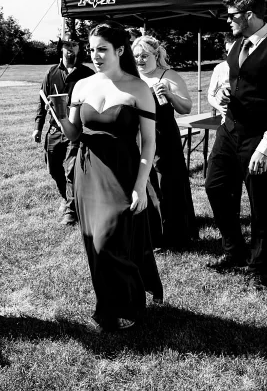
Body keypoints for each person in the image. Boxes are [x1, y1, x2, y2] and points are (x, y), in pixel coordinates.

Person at [56, 21, 162, 332]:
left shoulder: (138, 87)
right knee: (96, 245)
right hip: (88, 171)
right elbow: (74, 133)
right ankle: (109, 308)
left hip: (124, 171)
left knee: (110, 241)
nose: (95, 55)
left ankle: (129, 303)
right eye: (92, 50)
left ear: (119, 50)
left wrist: (141, 186)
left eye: (102, 49)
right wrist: (61, 114)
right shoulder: (82, 86)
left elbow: (150, 142)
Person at [205, 0, 267, 289]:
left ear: (249, 15)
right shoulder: (238, 45)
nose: (228, 21)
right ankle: (234, 250)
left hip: (259, 135)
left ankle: (259, 266)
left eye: (232, 16)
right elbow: (229, 84)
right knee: (215, 186)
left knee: (260, 203)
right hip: (229, 131)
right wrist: (223, 94)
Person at [132, 35, 197, 249]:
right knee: (145, 184)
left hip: (164, 138)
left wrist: (170, 95)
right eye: (136, 56)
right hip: (139, 138)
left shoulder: (168, 75)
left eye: (144, 55)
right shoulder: (131, 78)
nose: (139, 60)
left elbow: (186, 108)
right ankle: (152, 235)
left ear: (156, 55)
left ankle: (175, 234)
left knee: (167, 185)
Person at [33, 37, 93, 226]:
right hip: (54, 129)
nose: (70, 49)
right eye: (67, 45)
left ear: (79, 49)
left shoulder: (87, 74)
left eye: (74, 45)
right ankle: (65, 196)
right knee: (53, 167)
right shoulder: (52, 72)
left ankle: (71, 210)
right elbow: (42, 102)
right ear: (61, 49)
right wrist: (38, 127)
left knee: (71, 170)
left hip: (75, 128)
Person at [207, 33, 237, 120]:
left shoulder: (251, 66)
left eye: (233, 51)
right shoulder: (220, 68)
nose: (230, 55)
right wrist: (219, 107)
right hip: (227, 121)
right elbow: (210, 95)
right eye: (227, 51)